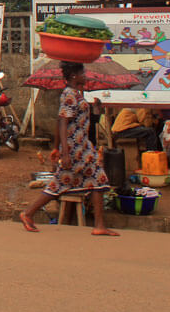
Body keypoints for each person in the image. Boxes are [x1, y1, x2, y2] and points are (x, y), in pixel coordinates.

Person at [20, 61, 118, 236]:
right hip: (75, 149)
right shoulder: (69, 95)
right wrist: (64, 152)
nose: (86, 75)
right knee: (60, 183)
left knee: (98, 180)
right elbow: (63, 123)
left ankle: (99, 225)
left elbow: (71, 120)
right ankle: (28, 213)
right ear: (74, 75)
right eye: (83, 73)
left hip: (83, 148)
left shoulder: (77, 95)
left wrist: (95, 109)